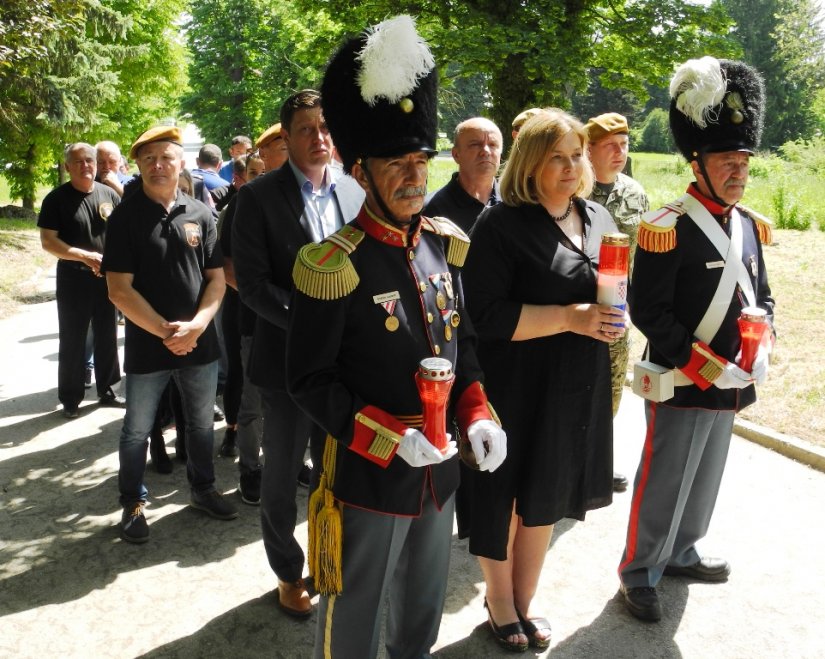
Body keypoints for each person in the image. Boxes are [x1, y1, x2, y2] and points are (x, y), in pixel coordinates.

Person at [286, 16, 507, 658]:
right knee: (354, 610)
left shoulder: (445, 245)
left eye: (420, 161)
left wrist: (478, 413)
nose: (413, 177)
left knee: (422, 606)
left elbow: (461, 349)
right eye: (395, 164)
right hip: (371, 472)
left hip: (440, 474)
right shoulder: (333, 263)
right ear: (361, 169)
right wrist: (390, 438)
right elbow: (310, 381)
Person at [458, 108, 624, 652]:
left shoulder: (597, 217)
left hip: (576, 383)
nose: (571, 165)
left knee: (547, 494)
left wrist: (613, 315)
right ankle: (499, 601)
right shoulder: (502, 223)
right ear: (530, 163)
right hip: (515, 383)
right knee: (504, 496)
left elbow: (614, 287)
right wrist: (571, 318)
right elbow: (485, 316)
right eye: (556, 156)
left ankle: (525, 602)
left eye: (576, 154)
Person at [617, 57, 774, 622]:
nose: (737, 169)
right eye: (725, 159)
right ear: (696, 162)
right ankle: (638, 571)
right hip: (685, 377)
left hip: (734, 378)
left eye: (743, 159)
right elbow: (649, 311)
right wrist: (708, 366)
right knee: (663, 479)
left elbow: (763, 296)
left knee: (706, 475)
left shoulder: (749, 224)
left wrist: (763, 345)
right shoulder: (668, 226)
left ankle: (681, 551)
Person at [232, 89, 364, 617]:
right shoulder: (257, 198)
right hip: (286, 364)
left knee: (337, 470)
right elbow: (255, 285)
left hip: (347, 364)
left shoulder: (353, 193)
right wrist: (314, 323)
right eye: (307, 128)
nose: (319, 138)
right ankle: (288, 572)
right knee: (283, 478)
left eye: (326, 127)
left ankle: (329, 562)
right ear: (286, 138)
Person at [103, 125, 237, 544]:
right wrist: (165, 331)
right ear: (138, 165)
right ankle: (132, 503)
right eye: (148, 159)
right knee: (137, 430)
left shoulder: (200, 213)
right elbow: (118, 290)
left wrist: (196, 325)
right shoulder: (125, 217)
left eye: (166, 157)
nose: (158, 165)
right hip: (149, 344)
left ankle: (202, 489)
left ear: (181, 163)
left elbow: (216, 279)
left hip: (200, 343)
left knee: (199, 426)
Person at [585, 112, 650, 493]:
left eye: (624, 144)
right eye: (610, 145)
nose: (619, 152)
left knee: (610, 392)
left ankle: (598, 464)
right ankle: (568, 464)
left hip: (618, 312)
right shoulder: (573, 190)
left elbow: (645, 256)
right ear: (589, 149)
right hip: (576, 310)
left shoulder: (635, 193)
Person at [37, 143, 124, 419]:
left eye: (90, 160)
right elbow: (48, 242)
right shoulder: (56, 199)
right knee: (73, 338)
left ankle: (108, 388)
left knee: (108, 334)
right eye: (79, 161)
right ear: (67, 167)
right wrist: (84, 257)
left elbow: (123, 233)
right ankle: (71, 397)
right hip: (74, 278)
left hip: (107, 278)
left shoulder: (109, 194)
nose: (86, 165)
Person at [219, 153, 266, 497]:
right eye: (253, 172)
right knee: (252, 401)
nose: (258, 178)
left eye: (264, 172)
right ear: (242, 176)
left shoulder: (296, 199)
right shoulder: (239, 208)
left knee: (294, 403)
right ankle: (250, 468)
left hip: (296, 323)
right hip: (253, 320)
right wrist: (266, 302)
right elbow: (226, 267)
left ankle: (293, 465)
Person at [423, 117, 503, 233]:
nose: (485, 151)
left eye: (493, 145)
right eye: (475, 144)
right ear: (456, 155)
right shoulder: (431, 209)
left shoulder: (514, 204)